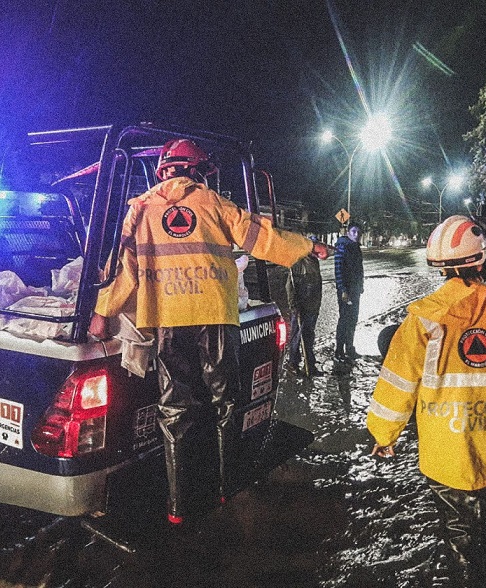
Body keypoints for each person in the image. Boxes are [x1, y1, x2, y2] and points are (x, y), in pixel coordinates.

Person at [89, 138, 329, 526]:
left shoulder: (141, 209)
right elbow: (263, 237)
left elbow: (124, 272)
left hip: (167, 321)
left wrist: (102, 313)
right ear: (196, 170)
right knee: (226, 403)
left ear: (163, 169)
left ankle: (178, 505)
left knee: (175, 410)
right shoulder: (213, 203)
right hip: (215, 319)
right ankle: (225, 487)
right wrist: (307, 246)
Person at [367, 215, 486, 587]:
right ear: (482, 259)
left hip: (447, 452)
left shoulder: (422, 320)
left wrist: (383, 435)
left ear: (440, 267)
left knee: (458, 537)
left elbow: (396, 385)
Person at [285, 235, 324, 376]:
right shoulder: (297, 262)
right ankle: (293, 363)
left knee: (309, 336)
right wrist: (293, 304)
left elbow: (317, 285)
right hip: (301, 307)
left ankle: (310, 364)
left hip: (312, 306)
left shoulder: (314, 262)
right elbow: (290, 286)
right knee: (296, 336)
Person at [334, 222, 364, 362]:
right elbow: (338, 271)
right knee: (344, 320)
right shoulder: (342, 247)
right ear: (348, 232)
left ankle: (349, 348)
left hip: (355, 290)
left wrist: (361, 285)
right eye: (353, 231)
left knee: (353, 320)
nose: (356, 235)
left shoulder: (356, 248)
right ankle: (339, 351)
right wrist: (343, 290)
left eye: (358, 232)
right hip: (346, 291)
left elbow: (359, 269)